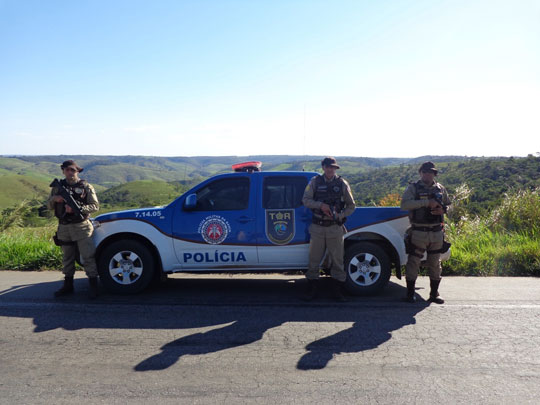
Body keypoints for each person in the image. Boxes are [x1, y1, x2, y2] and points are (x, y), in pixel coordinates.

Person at [302, 157, 356, 301]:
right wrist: (321, 205)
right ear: (323, 167)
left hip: (334, 227)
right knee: (314, 260)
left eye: (333, 167)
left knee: (337, 260)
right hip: (318, 227)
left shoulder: (342, 183)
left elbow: (351, 206)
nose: (331, 169)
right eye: (328, 167)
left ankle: (337, 291)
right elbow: (306, 200)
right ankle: (312, 289)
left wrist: (341, 215)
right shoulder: (314, 182)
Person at [48, 160, 100, 299]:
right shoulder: (58, 187)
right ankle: (68, 285)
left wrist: (79, 209)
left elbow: (95, 206)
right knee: (67, 257)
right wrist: (55, 199)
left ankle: (94, 286)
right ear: (63, 171)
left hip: (81, 225)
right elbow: (49, 205)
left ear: (77, 171)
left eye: (73, 170)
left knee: (88, 256)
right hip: (64, 226)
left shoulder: (86, 186)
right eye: (67, 170)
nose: (70, 172)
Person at [400, 161, 451, 304]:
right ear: (420, 173)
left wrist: (444, 210)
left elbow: (449, 205)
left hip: (436, 231)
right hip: (418, 231)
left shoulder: (440, 188)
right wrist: (426, 203)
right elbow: (404, 205)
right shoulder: (413, 188)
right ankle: (410, 294)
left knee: (435, 263)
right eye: (425, 172)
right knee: (413, 262)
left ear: (434, 174)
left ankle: (434, 294)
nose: (427, 174)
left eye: (430, 172)